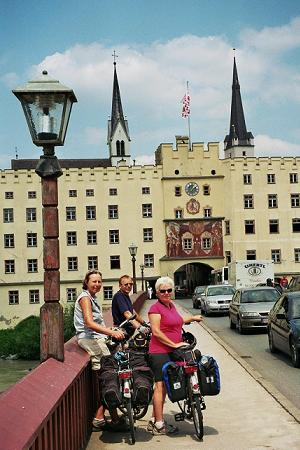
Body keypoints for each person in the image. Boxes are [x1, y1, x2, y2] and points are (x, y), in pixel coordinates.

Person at [147, 276, 203, 435]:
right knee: (160, 386)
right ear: (157, 293)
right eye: (162, 291)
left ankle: (153, 420)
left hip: (174, 351)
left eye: (169, 290)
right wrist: (175, 344)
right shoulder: (155, 309)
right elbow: (156, 332)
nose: (166, 293)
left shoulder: (171, 306)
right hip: (159, 352)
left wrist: (191, 318)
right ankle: (159, 424)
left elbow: (176, 321)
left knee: (175, 380)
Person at [74, 269, 125, 430]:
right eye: (93, 281)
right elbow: (88, 323)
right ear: (86, 283)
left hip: (95, 337)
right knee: (105, 379)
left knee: (109, 376)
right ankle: (101, 418)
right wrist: (111, 332)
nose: (97, 284)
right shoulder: (85, 298)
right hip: (89, 339)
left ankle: (110, 417)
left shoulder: (92, 298)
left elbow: (95, 324)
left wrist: (108, 328)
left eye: (99, 282)